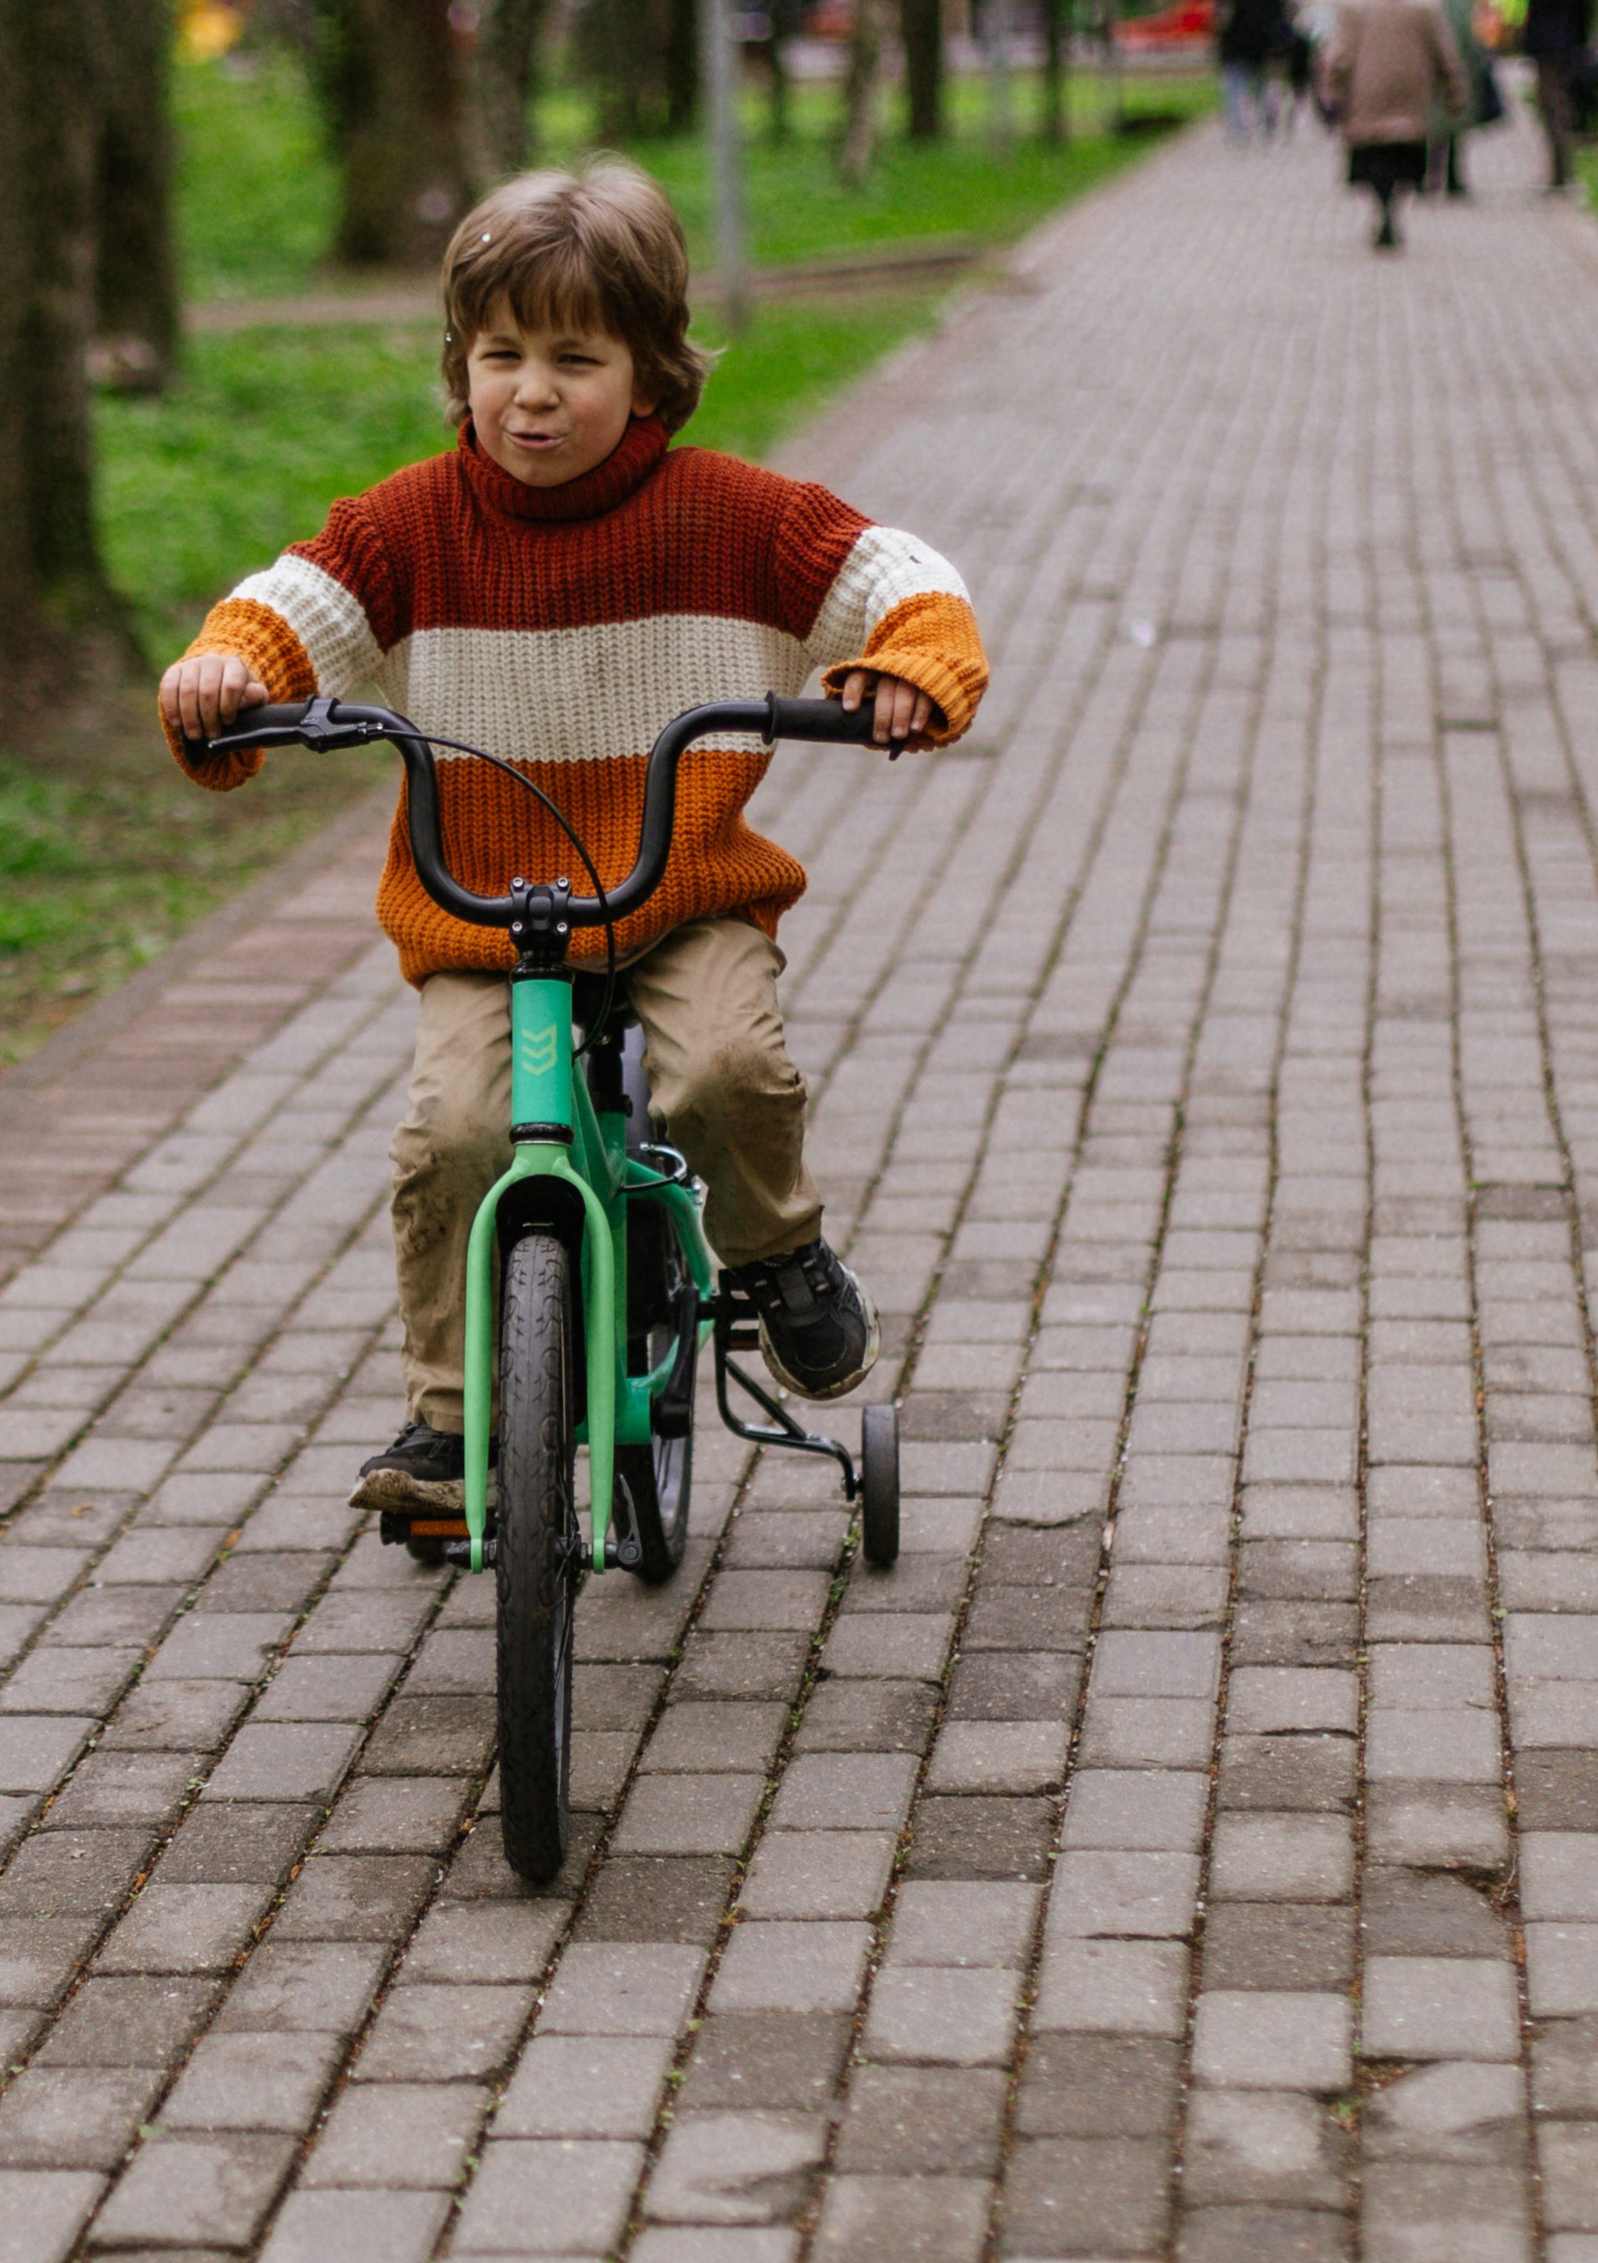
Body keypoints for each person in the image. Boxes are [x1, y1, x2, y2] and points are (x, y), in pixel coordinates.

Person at [156, 161, 990, 1518]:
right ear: (460, 366)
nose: (530, 392)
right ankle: (449, 1423)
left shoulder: (737, 518)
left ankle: (776, 1252)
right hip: (487, 913)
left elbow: (900, 577)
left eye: (573, 358)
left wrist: (914, 661)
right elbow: (289, 608)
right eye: (500, 355)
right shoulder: (409, 528)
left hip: (680, 890)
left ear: (653, 374)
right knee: (454, 1133)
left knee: (724, 1068)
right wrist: (225, 668)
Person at [1320, 0, 1464, 251]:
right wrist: (1453, 86)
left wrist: (1332, 88)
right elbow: (1443, 47)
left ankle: (1381, 207)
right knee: (1404, 154)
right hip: (1413, 88)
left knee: (1374, 156)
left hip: (1365, 91)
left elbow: (1340, 52)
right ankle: (1394, 208)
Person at [1514, 0, 1591, 188]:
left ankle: (1562, 172)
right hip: (1549, 40)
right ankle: (1557, 169)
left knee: (1555, 105)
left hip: (1557, 42)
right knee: (1547, 105)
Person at [1423, 0, 1489, 196]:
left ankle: (1453, 175)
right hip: (1429, 56)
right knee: (1431, 119)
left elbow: (1469, 9)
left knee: (1457, 118)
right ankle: (1430, 173)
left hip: (1460, 53)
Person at [1210, 0, 1293, 145]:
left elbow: (1222, 9)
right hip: (1261, 42)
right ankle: (1264, 127)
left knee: (1236, 86)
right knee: (1262, 85)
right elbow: (1278, 6)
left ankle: (1239, 130)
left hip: (1237, 41)